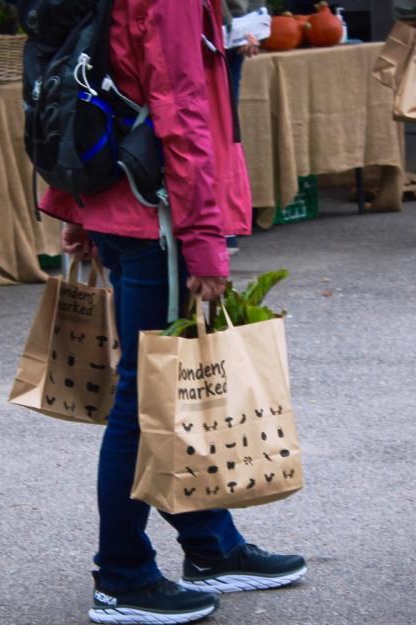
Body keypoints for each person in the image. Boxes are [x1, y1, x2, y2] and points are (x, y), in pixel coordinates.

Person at [40, 1, 306, 623]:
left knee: (169, 393)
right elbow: (180, 111)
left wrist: (77, 205)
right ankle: (123, 576)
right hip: (155, 217)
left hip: (120, 201)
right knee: (146, 402)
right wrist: (206, 242)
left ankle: (212, 547)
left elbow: (83, 76)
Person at [221, 0, 266, 255]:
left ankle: (222, 227)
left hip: (220, 34)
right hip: (219, 32)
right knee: (221, 130)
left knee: (221, 131)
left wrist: (244, 26)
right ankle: (222, 228)